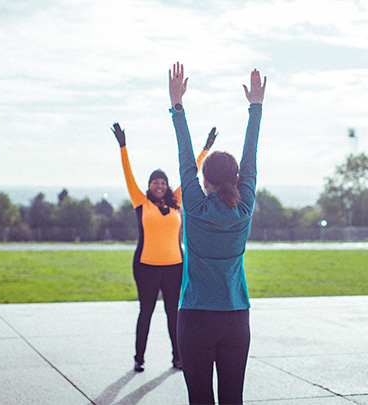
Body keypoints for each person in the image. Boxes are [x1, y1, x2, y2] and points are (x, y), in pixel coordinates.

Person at [169, 62, 265, 405]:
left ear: (204, 180)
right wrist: (256, 107)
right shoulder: (244, 207)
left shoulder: (194, 205)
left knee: (200, 400)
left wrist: (177, 105)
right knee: (232, 399)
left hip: (195, 317)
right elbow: (251, 158)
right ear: (237, 179)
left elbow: (185, 158)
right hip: (236, 317)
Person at [111, 122, 217, 372]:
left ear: (167, 186)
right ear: (149, 186)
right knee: (145, 313)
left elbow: (192, 172)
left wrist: (206, 149)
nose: (159, 186)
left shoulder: (177, 201)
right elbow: (128, 174)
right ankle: (139, 358)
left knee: (174, 315)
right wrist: (123, 146)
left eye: (163, 183)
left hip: (174, 267)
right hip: (146, 267)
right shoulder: (141, 202)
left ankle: (177, 358)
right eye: (154, 183)